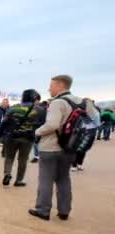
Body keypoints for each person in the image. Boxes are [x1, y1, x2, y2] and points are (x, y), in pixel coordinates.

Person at [29, 75, 98, 221]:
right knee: (63, 178)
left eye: (51, 85)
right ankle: (64, 211)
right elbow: (93, 121)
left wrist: (37, 131)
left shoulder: (58, 102)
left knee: (46, 179)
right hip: (71, 147)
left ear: (60, 85)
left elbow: (52, 125)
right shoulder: (84, 102)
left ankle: (43, 210)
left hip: (50, 147)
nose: (49, 89)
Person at [0, 89, 44, 187]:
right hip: (28, 138)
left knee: (9, 157)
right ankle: (19, 180)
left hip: (12, 136)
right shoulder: (39, 110)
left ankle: (7, 174)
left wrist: (0, 134)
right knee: (23, 159)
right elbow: (43, 124)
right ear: (33, 97)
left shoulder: (14, 108)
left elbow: (4, 122)